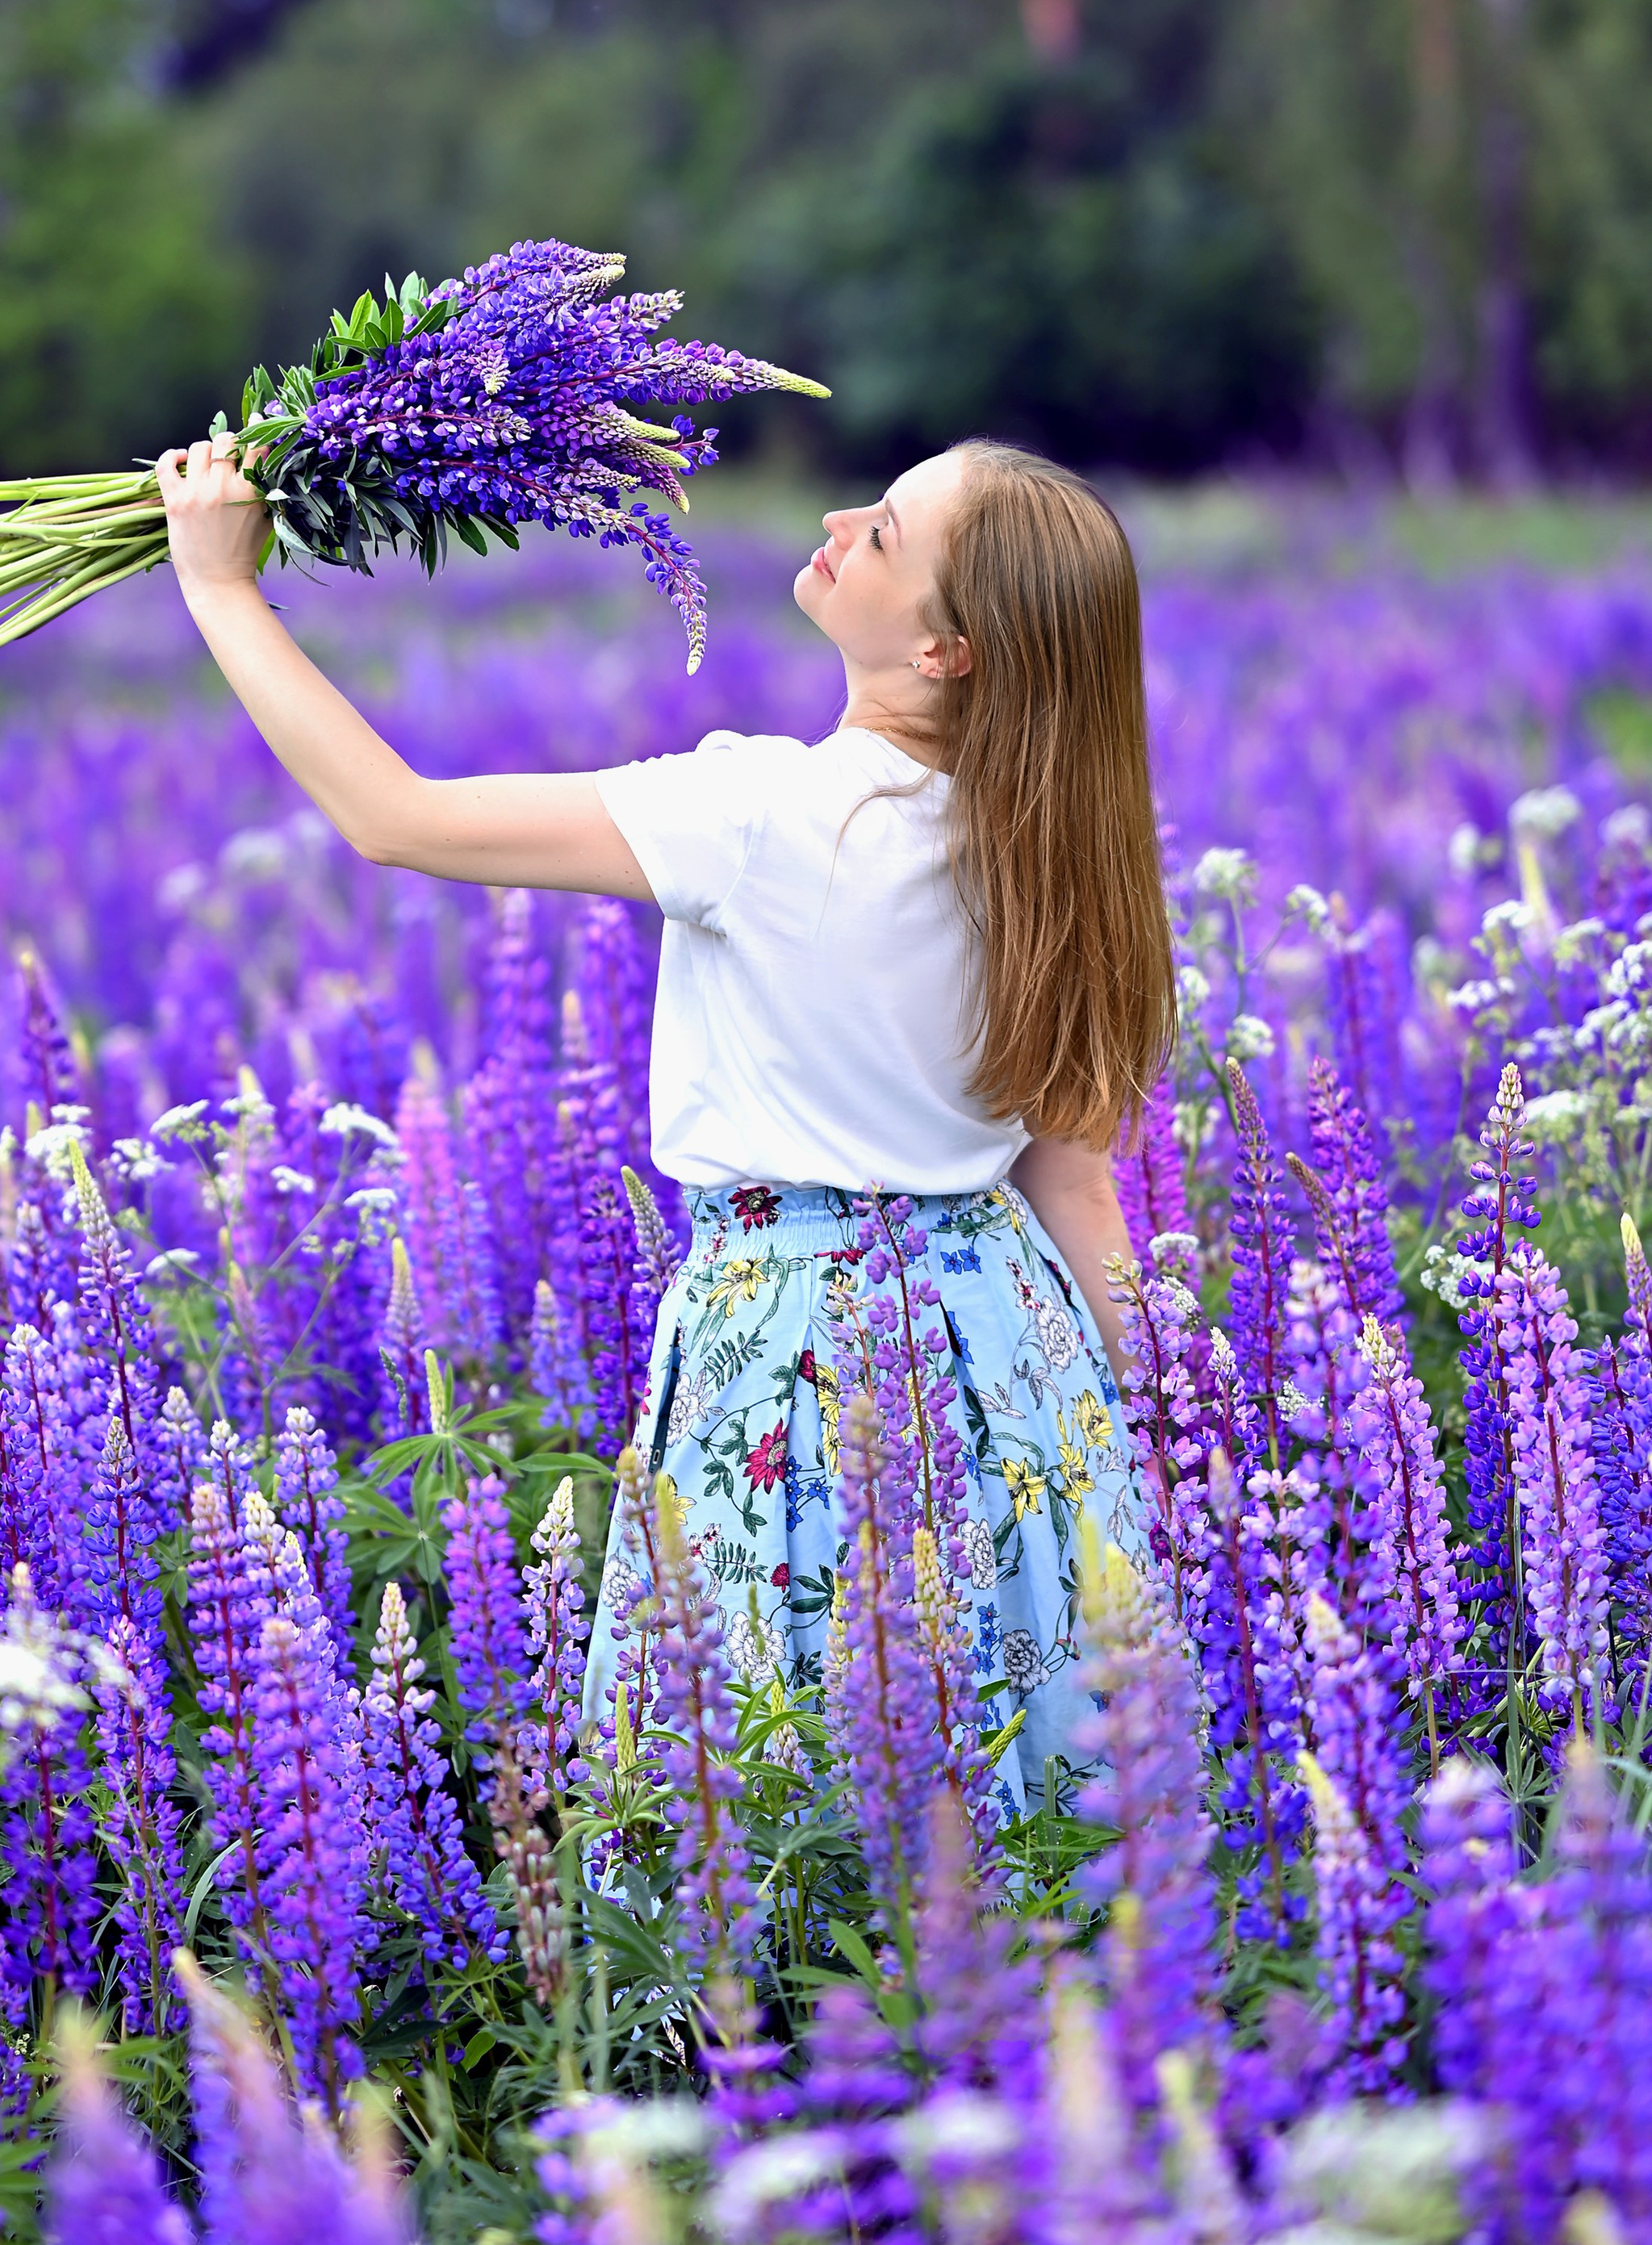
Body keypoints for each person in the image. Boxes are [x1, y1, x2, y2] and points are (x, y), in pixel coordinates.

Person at [153, 431, 1169, 1804]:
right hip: (1014, 1356)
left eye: (882, 532)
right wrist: (1180, 1432)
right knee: (1022, 1757)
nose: (836, 514)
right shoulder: (1057, 852)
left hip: (794, 1345)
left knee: (765, 1768)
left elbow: (395, 818)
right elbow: (1078, 1194)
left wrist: (221, 588)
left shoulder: (756, 811)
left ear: (948, 652)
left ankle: (794, 2018)